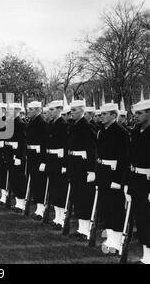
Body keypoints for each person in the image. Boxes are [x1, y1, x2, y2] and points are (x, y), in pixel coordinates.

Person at [96, 103, 130, 255]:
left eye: (105, 114)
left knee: (115, 208)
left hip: (114, 174)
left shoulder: (121, 132)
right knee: (105, 207)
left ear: (113, 115)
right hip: (103, 172)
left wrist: (118, 180)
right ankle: (110, 239)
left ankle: (116, 243)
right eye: (101, 114)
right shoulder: (102, 131)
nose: (101, 116)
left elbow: (124, 159)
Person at [66, 99, 97, 240]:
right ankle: (80, 228)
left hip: (83, 166)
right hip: (74, 164)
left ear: (82, 111)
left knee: (84, 198)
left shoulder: (87, 126)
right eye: (71, 110)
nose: (71, 113)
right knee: (77, 197)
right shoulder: (74, 125)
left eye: (74, 110)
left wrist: (91, 170)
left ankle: (85, 231)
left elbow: (92, 150)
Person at [126, 99, 150, 264]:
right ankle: (146, 255)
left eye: (140, 113)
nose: (136, 117)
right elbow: (130, 160)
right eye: (135, 113)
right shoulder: (135, 132)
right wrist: (127, 184)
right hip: (136, 181)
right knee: (141, 219)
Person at [45, 100, 68, 229]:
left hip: (59, 160)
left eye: (52, 110)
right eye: (49, 110)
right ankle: (57, 216)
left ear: (59, 109)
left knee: (60, 189)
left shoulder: (63, 124)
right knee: (53, 188)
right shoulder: (51, 123)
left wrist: (65, 164)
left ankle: (62, 218)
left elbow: (65, 145)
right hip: (52, 159)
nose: (50, 112)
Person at [26, 101, 48, 220]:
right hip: (32, 155)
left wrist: (43, 161)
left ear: (38, 110)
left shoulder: (42, 122)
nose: (28, 111)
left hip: (39, 156)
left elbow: (44, 143)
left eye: (31, 109)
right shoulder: (32, 122)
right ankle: (38, 207)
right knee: (34, 181)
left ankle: (41, 208)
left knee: (40, 183)